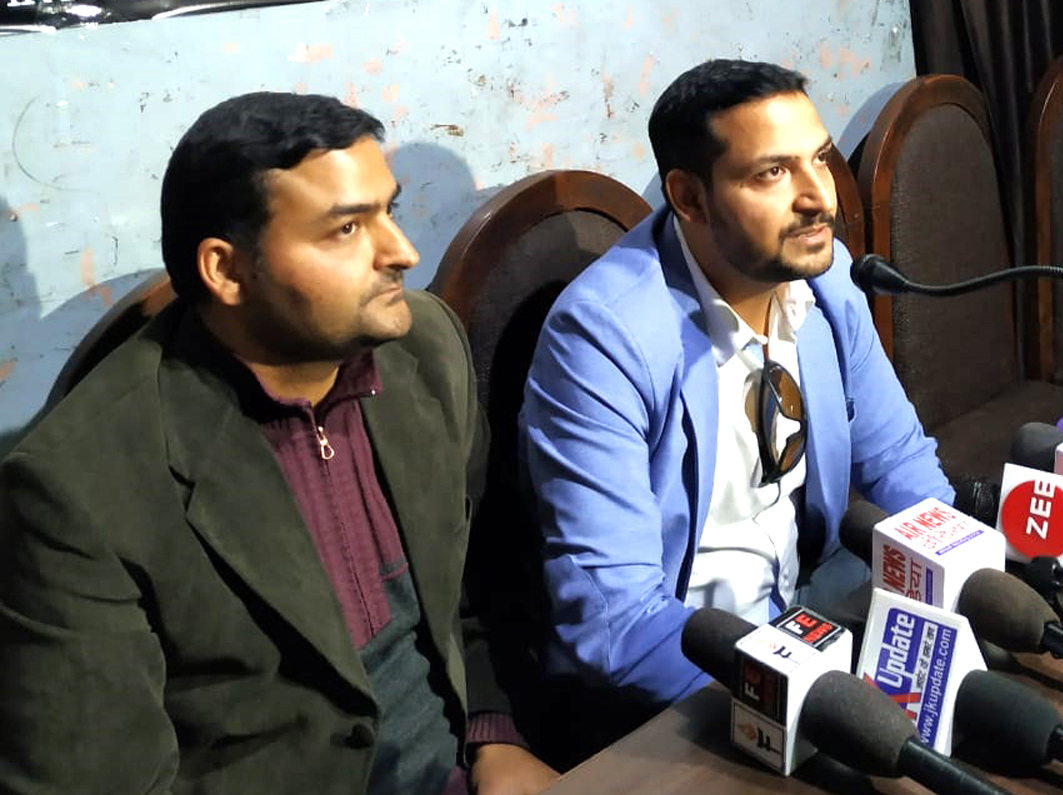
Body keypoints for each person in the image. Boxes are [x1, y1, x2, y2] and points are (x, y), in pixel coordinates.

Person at [0, 92, 557, 795]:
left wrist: (495, 734)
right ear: (226, 270)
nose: (403, 252)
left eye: (388, 211)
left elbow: (480, 579)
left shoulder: (425, 350)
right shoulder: (76, 488)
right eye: (347, 229)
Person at [520, 60, 955, 717]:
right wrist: (796, 697)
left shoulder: (826, 276)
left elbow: (898, 463)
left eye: (819, 158)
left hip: (813, 615)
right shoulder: (602, 339)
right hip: (690, 680)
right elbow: (618, 624)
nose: (819, 198)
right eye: (772, 173)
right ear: (689, 198)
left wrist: (963, 582)